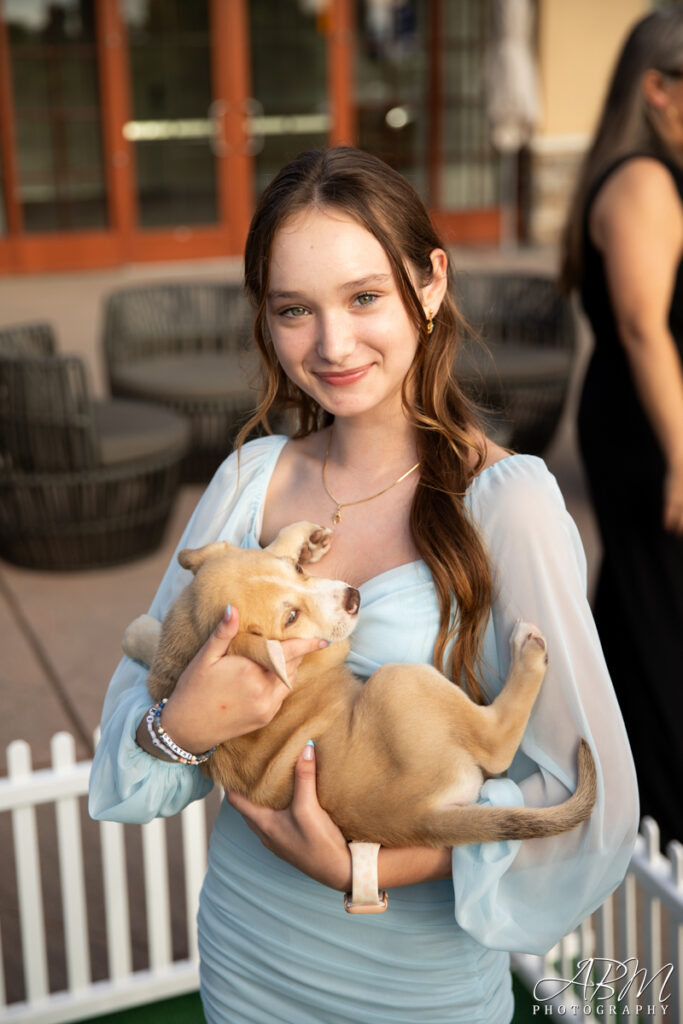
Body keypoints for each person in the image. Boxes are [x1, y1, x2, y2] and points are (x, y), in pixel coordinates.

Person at [90, 146, 637, 1024]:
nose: (332, 344)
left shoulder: (511, 504)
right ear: (264, 320)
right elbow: (133, 739)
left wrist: (366, 866)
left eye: (364, 297)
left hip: (411, 986)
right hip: (247, 948)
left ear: (430, 284)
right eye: (294, 310)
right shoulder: (249, 482)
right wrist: (181, 725)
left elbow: (586, 791)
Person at [560, 9, 683, 848]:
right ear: (659, 88)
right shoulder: (640, 180)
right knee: (658, 607)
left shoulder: (651, 173)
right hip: (652, 428)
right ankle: (656, 814)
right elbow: (643, 325)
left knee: (645, 601)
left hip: (653, 419)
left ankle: (609, 791)